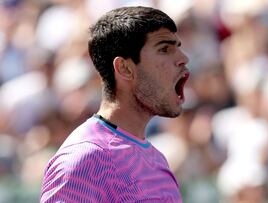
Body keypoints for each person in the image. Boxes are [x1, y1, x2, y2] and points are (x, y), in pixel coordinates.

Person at [40, 6, 190, 202]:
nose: (183, 58)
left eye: (178, 47)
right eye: (164, 49)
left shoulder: (158, 160)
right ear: (125, 68)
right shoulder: (85, 159)